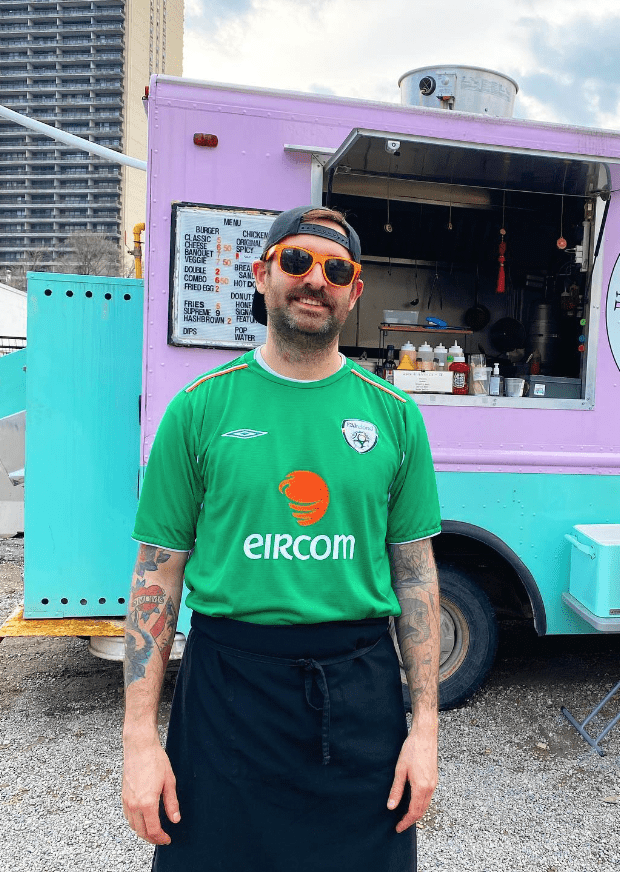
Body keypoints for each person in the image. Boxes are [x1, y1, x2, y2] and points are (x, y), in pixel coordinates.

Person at [122, 206, 441, 871]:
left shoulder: (394, 416)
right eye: (296, 262)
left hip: (358, 693)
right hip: (227, 691)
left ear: (354, 290)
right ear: (262, 275)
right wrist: (139, 742)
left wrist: (426, 728)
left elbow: (414, 576)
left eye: (336, 269)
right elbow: (156, 576)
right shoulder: (201, 407)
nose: (314, 280)